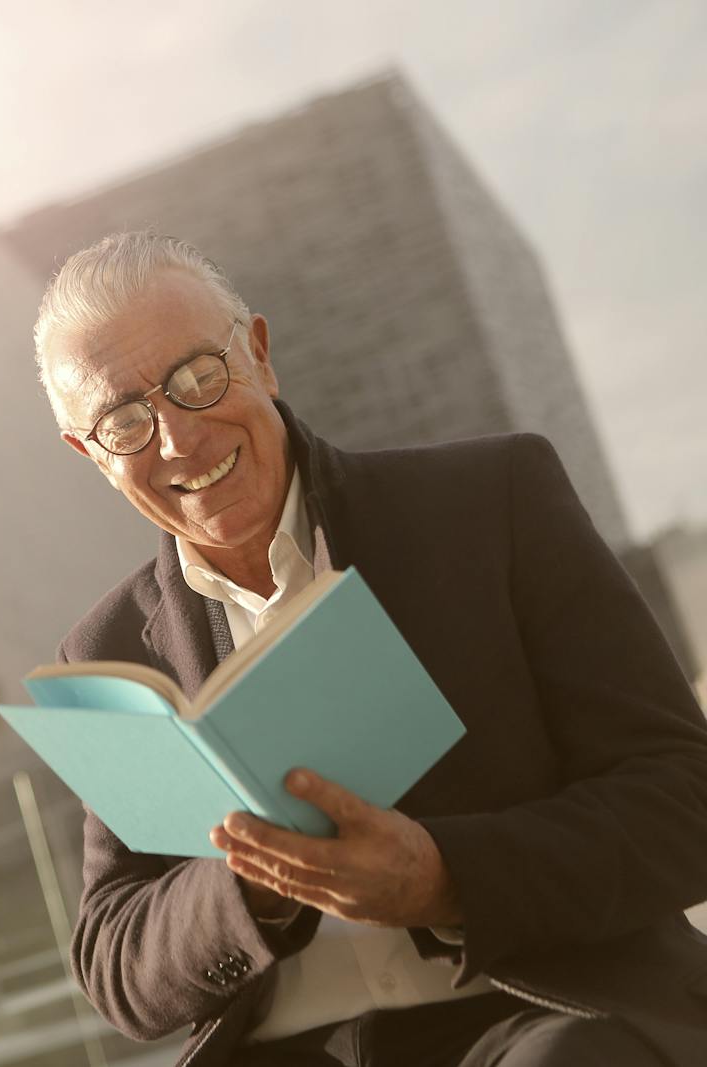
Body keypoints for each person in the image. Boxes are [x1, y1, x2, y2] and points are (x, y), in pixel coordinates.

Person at [35, 231, 707, 1066]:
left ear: (260, 355)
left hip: (534, 1015)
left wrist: (445, 875)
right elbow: (114, 961)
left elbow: (685, 801)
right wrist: (250, 884)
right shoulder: (105, 652)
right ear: (91, 456)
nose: (178, 439)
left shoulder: (493, 504)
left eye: (198, 379)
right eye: (126, 420)